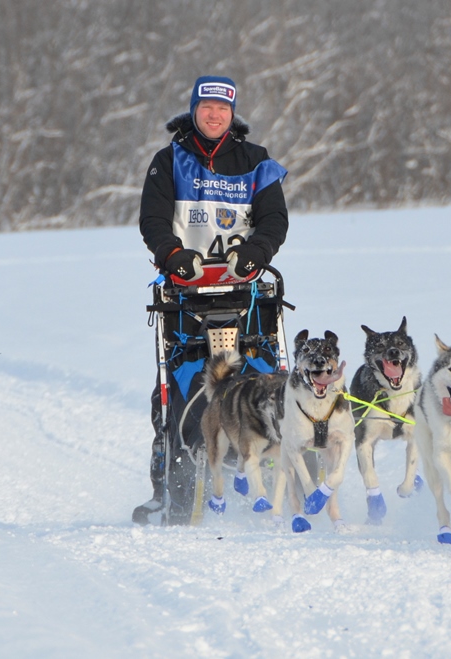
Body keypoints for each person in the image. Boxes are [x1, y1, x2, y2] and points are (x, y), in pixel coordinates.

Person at [133, 75, 289, 524]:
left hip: (247, 293)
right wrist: (172, 255)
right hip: (185, 294)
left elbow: (274, 219)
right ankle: (169, 493)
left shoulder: (257, 160)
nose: (214, 115)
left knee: (267, 381)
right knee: (172, 393)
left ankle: (279, 478)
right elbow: (152, 220)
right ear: (194, 109)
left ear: (232, 113)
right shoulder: (168, 161)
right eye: (207, 107)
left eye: (222, 108)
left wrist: (257, 252)